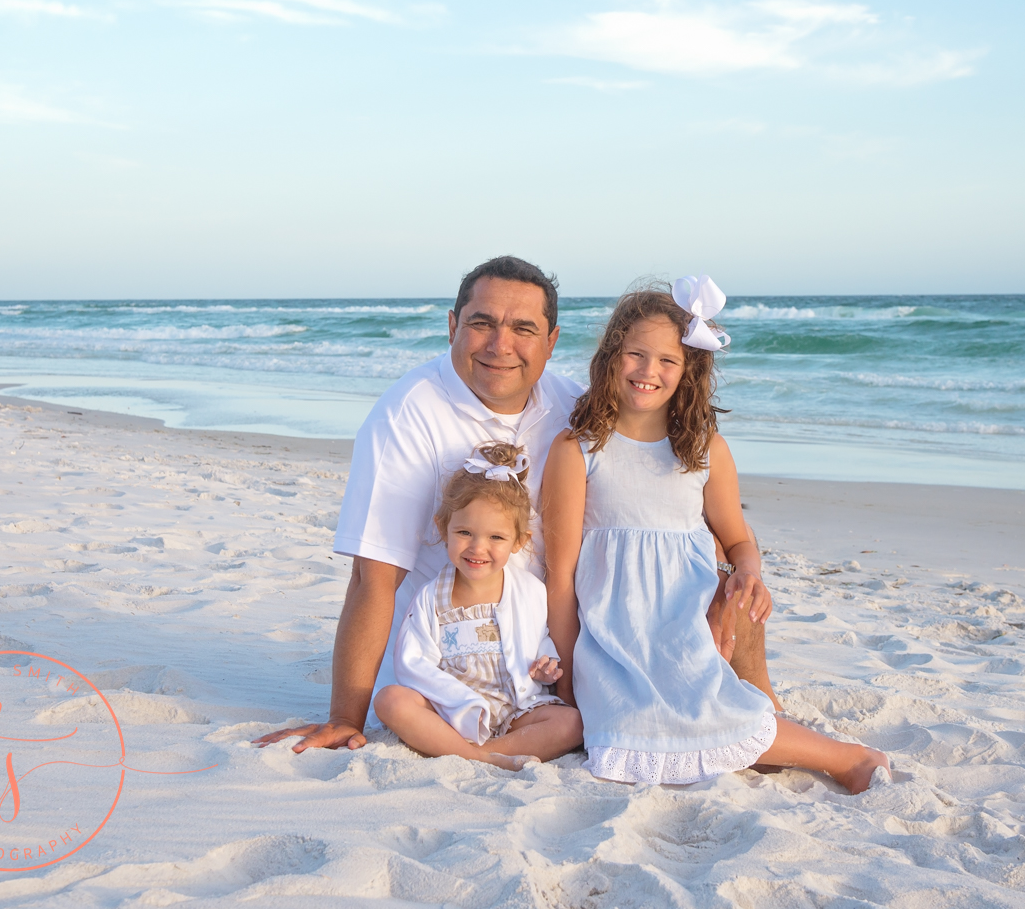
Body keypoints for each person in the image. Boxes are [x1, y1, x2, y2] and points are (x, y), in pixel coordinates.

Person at [251, 256, 776, 755]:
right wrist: (345, 717)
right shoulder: (407, 417)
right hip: (454, 655)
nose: (501, 345)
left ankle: (762, 712)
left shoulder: (577, 410)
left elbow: (665, 505)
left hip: (560, 645)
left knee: (732, 581)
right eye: (482, 323)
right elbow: (373, 576)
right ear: (452, 325)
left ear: (550, 342)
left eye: (523, 329)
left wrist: (728, 572)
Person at [542, 278, 890, 792]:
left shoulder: (704, 449)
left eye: (667, 361)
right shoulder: (578, 449)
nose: (649, 372)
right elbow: (562, 574)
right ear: (612, 355)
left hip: (684, 618)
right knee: (624, 730)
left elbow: (738, 540)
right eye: (636, 354)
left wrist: (749, 574)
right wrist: (569, 678)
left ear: (689, 371)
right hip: (614, 635)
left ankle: (848, 758)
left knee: (709, 706)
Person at [374, 442, 584, 769]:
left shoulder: (529, 590)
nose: (477, 548)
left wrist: (547, 667)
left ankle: (485, 753)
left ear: (519, 541)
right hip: (453, 710)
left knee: (572, 722)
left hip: (516, 709)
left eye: (495, 538)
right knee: (390, 701)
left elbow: (538, 636)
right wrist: (460, 702)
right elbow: (412, 663)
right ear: (443, 529)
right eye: (464, 532)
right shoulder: (431, 597)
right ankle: (478, 755)